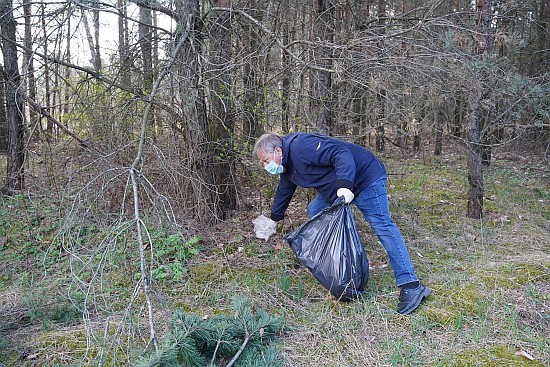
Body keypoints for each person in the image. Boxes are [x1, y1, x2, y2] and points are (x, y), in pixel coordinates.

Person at [253, 132, 431, 315]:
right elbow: (285, 190)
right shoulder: (287, 166)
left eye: (266, 160)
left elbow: (340, 153)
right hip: (339, 188)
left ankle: (411, 284)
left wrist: (345, 185)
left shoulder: (301, 147)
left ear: (278, 150)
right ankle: (340, 271)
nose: (266, 166)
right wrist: (274, 220)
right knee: (315, 211)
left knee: (383, 226)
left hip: (365, 178)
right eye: (263, 163)